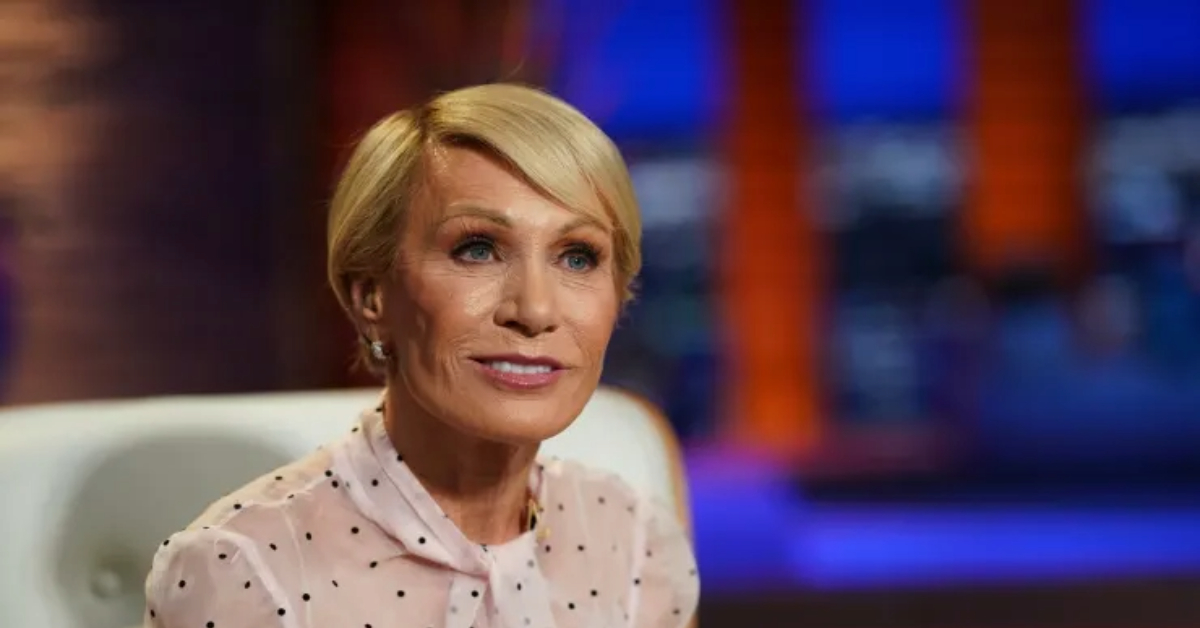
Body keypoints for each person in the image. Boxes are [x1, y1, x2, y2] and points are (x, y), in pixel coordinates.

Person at [143, 83, 699, 628]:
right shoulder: (241, 572)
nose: (534, 308)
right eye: (477, 249)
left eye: (578, 257)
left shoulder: (637, 544)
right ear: (372, 297)